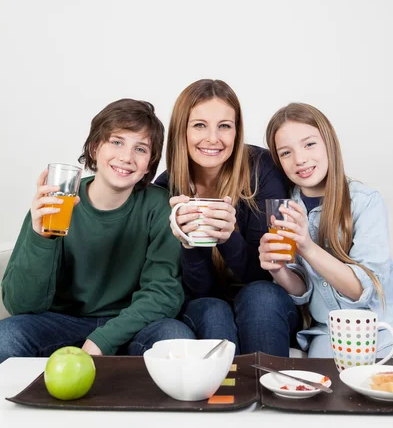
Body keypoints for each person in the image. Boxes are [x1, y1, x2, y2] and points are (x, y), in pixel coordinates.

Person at [0, 98, 193, 363]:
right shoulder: (57, 201)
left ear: (149, 164)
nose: (126, 157)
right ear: (94, 148)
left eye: (140, 149)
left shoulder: (158, 206)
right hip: (62, 322)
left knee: (176, 337)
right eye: (116, 142)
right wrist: (41, 238)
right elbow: (21, 306)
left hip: (130, 323)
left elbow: (163, 293)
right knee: (7, 337)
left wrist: (102, 340)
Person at [154, 79, 302, 356]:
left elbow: (265, 273)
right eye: (199, 125)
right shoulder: (165, 190)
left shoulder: (263, 169)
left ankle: (272, 394)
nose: (213, 138)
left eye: (224, 126)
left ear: (236, 131)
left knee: (260, 295)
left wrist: (228, 237)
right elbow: (199, 290)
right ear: (181, 131)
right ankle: (225, 396)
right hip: (205, 303)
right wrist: (191, 244)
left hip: (265, 300)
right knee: (213, 309)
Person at [259, 102, 393, 357]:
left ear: (329, 143)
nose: (300, 159)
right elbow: (301, 290)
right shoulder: (284, 206)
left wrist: (308, 247)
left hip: (383, 328)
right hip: (329, 332)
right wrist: (278, 270)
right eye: (286, 152)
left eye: (309, 144)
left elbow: (361, 290)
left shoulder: (364, 202)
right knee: (325, 389)